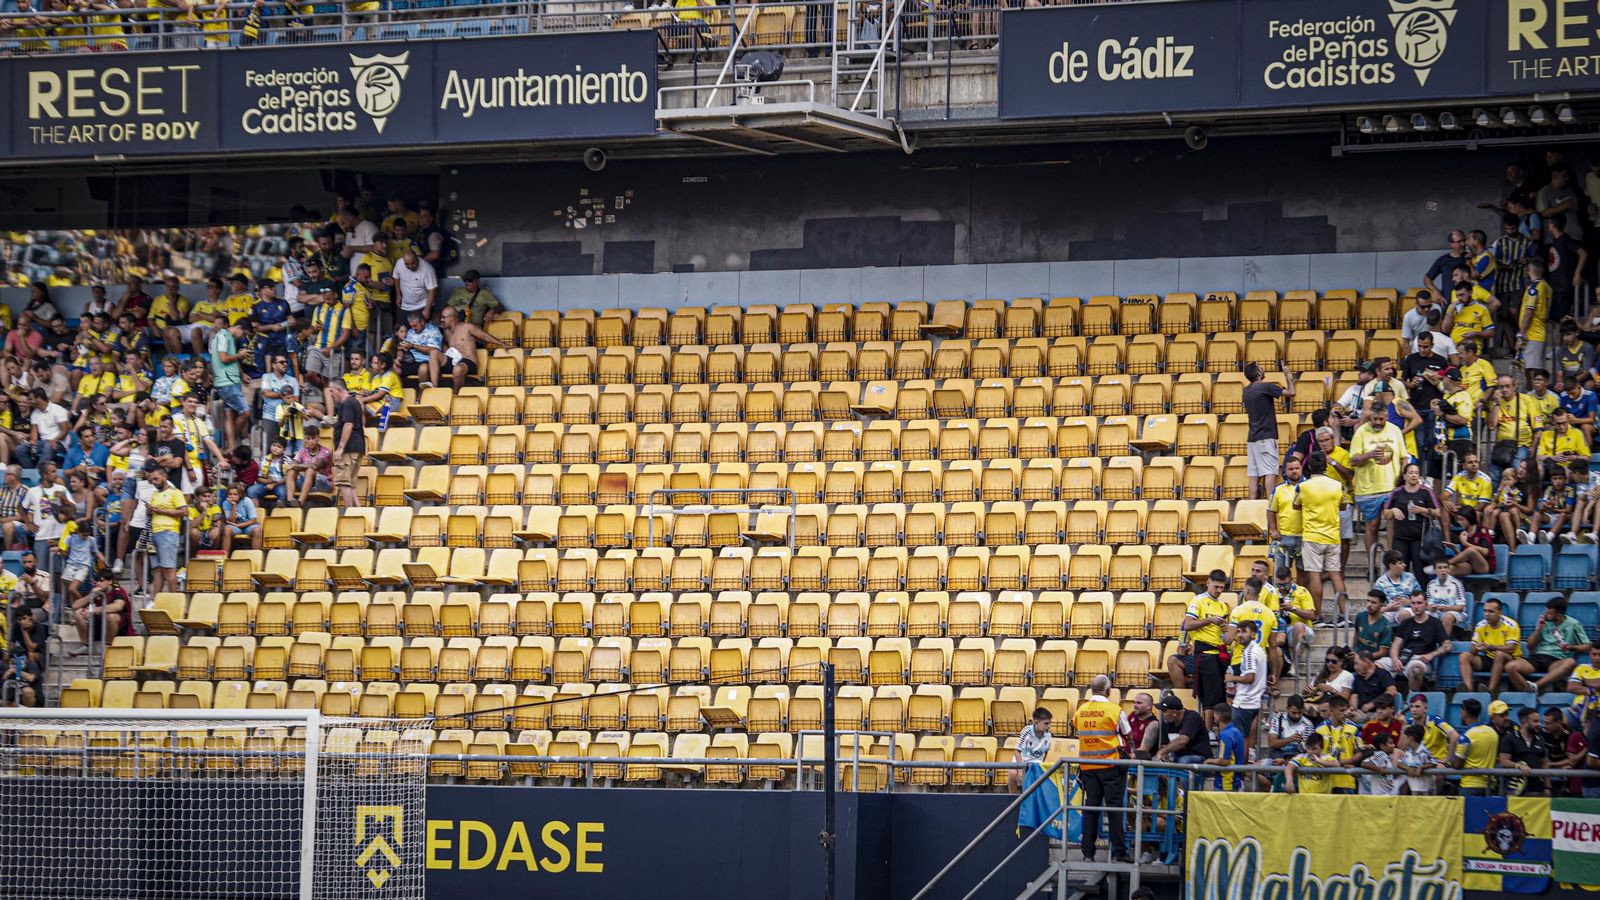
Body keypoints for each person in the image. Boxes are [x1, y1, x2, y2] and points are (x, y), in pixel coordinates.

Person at [1071, 676, 1132, 864]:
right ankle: (1120, 853)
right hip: (1111, 766)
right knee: (1114, 810)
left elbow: (1076, 727)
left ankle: (1088, 854)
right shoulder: (1114, 710)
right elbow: (1127, 732)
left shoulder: (1081, 711)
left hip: (1088, 767)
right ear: (1108, 691)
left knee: (1091, 809)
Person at [1294, 451, 1348, 623]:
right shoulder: (1337, 485)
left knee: (1314, 575)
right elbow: (1344, 506)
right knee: (1335, 574)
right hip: (1332, 535)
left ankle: (1318, 615)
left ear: (1309, 466)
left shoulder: (1304, 486)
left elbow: (1296, 506)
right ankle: (1344, 614)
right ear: (1325, 466)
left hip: (1312, 536)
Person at [1351, 399, 1407, 554]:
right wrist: (1368, 455)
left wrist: (1402, 480)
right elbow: (1353, 460)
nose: (1377, 422)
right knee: (1372, 525)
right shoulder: (1361, 432)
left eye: (1381, 419)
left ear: (1386, 417)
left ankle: (1392, 558)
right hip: (1368, 489)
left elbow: (1404, 457)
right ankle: (1371, 564)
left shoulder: (1395, 430)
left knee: (1392, 522)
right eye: (1374, 419)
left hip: (1391, 487)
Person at [1182, 570, 1230, 729]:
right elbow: (1188, 625)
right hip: (1204, 653)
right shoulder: (1198, 600)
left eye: (1222, 587)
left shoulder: (1223, 606)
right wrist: (1209, 620)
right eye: (1216, 586)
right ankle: (1208, 731)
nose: (1219, 591)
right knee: (1210, 695)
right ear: (1208, 583)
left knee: (1220, 694)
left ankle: (1216, 729)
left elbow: (1225, 632)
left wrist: (1225, 628)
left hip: (1220, 654)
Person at [1242, 363, 1292, 500]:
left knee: (1254, 474)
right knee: (1270, 472)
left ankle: (1252, 505)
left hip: (1252, 438)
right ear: (1258, 373)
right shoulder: (1266, 386)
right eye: (1260, 367)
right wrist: (1288, 376)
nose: (1263, 369)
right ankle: (1271, 504)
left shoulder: (1246, 391)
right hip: (1266, 437)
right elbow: (1290, 393)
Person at [438, 305, 510, 391]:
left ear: (451, 317)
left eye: (443, 317)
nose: (442, 320)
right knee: (432, 361)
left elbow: (484, 336)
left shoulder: (467, 327)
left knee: (458, 369)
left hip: (468, 362)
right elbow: (446, 348)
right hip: (453, 362)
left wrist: (502, 344)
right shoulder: (446, 332)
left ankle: (455, 395)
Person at [1390, 594, 1449, 692]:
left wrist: (1432, 654)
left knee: (1415, 671)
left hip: (1420, 659)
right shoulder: (1406, 623)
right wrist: (1395, 659)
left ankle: (1411, 700)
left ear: (1426, 604)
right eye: (1413, 603)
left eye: (1419, 603)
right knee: (1376, 667)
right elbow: (1396, 645)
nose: (1416, 606)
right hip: (1402, 658)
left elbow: (1447, 646)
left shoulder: (1435, 623)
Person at [145, 466, 186, 596]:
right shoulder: (155, 494)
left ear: (165, 477)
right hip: (154, 532)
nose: (154, 482)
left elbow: (184, 511)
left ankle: (173, 600)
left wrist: (161, 511)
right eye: (151, 480)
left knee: (169, 569)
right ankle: (155, 601)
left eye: (156, 479)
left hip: (168, 532)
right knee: (156, 570)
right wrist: (149, 510)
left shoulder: (175, 492)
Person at [1225, 618, 1267, 740]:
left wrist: (1231, 678)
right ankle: (1249, 758)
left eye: (1244, 631)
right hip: (1253, 701)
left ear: (1253, 635)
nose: (1240, 635)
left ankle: (1242, 760)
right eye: (1238, 632)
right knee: (1246, 738)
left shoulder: (1250, 652)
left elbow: (1249, 678)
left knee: (1241, 739)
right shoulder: (1258, 649)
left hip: (1245, 703)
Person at [326, 382, 366, 509]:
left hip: (348, 449)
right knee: (350, 484)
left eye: (331, 391)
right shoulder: (353, 402)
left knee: (343, 483)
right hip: (356, 447)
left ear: (338, 389)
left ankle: (350, 513)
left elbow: (348, 424)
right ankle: (358, 512)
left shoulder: (347, 403)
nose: (331, 395)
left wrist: (340, 448)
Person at [1456, 698, 1505, 797]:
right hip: (1489, 786)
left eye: (1461, 712)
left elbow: (1457, 764)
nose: (1460, 714)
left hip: (1470, 786)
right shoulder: (1493, 732)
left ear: (1465, 713)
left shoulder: (1466, 735)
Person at [1266, 455, 1303, 574]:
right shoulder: (1278, 489)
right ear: (1285, 472)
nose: (1294, 471)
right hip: (1283, 537)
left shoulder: (1308, 486)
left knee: (1303, 573)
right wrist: (1274, 530)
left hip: (1304, 536)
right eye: (1291, 469)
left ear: (1301, 469)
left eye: (1297, 468)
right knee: (1281, 572)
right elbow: (1271, 510)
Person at [1152, 695, 1211, 765]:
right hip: (1177, 756)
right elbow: (1164, 744)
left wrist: (1161, 752)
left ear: (1174, 713)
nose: (1162, 714)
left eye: (1164, 711)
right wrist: (1163, 755)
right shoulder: (1166, 722)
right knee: (1154, 761)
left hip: (1198, 756)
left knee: (1184, 761)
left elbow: (1182, 741)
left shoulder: (1192, 717)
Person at [1009, 706, 1052, 792]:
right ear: (1036, 722)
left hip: (1036, 761)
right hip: (1022, 759)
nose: (1049, 726)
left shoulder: (1048, 735)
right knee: (1012, 774)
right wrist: (1021, 770)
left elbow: (1046, 751)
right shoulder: (1026, 731)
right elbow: (1017, 751)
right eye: (1046, 723)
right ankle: (1012, 799)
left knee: (1035, 778)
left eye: (1050, 723)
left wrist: (1041, 763)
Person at [1205, 704, 1248, 791]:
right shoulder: (1237, 731)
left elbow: (1223, 760)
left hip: (1226, 783)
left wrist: (1208, 761)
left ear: (1217, 717)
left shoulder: (1225, 735)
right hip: (1236, 780)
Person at [1348, 652, 1397, 724]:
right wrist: (1353, 708)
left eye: (1356, 663)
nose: (1354, 667)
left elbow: (1392, 691)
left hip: (1378, 711)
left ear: (1366, 662)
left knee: (1379, 719)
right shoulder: (1358, 677)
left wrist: (1372, 704)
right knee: (1343, 715)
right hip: (1361, 712)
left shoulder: (1382, 674)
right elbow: (1354, 695)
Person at [1399, 723, 1443, 795]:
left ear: (1410, 738)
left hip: (1427, 789)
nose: (1405, 740)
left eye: (1406, 737)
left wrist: (1421, 768)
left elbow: (1433, 763)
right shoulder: (1408, 752)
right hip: (1414, 788)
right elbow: (1399, 763)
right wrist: (1407, 768)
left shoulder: (1423, 751)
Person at [1355, 592, 1395, 665]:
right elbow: (1356, 634)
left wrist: (1363, 658)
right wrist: (1352, 650)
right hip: (1356, 656)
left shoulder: (1386, 626)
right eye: (1368, 601)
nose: (1369, 605)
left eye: (1374, 602)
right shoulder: (1360, 616)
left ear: (1382, 605)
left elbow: (1382, 652)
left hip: (1372, 661)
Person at [1360, 731, 1403, 796]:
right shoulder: (1381, 754)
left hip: (1386, 794)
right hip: (1381, 795)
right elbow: (1364, 763)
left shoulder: (1386, 757)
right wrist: (1379, 770)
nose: (1393, 745)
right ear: (1382, 746)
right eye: (1390, 743)